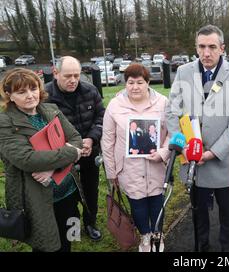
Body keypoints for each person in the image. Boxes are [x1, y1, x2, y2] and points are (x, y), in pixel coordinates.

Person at [167, 24, 229, 252]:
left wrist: (213, 152)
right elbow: (172, 112)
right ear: (196, 47)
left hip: (220, 159)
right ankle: (201, 247)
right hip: (192, 160)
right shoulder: (183, 72)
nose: (206, 53)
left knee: (226, 209)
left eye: (212, 47)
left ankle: (226, 249)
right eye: (201, 47)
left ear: (222, 48)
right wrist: (182, 146)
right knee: (198, 210)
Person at [0, 68, 83, 252]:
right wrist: (72, 153)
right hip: (37, 198)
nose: (30, 96)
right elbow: (27, 159)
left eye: (34, 89)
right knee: (47, 245)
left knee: (70, 236)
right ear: (9, 95)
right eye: (21, 92)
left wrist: (52, 170)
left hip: (68, 190)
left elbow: (76, 138)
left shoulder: (51, 109)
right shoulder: (5, 122)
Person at [101, 63, 171, 252]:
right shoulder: (115, 105)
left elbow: (174, 133)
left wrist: (164, 152)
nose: (135, 87)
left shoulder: (163, 103)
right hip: (129, 167)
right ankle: (145, 236)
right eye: (130, 82)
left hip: (156, 165)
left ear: (148, 82)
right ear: (125, 84)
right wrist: (111, 171)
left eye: (140, 82)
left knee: (157, 201)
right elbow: (107, 140)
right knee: (137, 203)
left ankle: (158, 235)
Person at [46, 56, 105, 241]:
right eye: (67, 76)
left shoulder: (90, 90)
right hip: (62, 157)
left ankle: (90, 223)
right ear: (55, 73)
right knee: (68, 197)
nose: (73, 80)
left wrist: (91, 139)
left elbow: (101, 117)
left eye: (77, 75)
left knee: (91, 191)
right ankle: (73, 230)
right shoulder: (44, 97)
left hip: (89, 152)